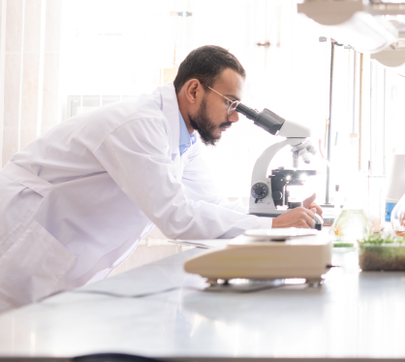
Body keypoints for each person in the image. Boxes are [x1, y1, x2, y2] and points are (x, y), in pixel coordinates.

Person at [0, 45, 323, 311]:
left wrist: (283, 220)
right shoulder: (139, 124)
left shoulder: (183, 139)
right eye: (230, 102)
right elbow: (176, 217)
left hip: (58, 248)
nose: (236, 116)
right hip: (24, 234)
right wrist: (270, 227)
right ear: (194, 89)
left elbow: (208, 204)